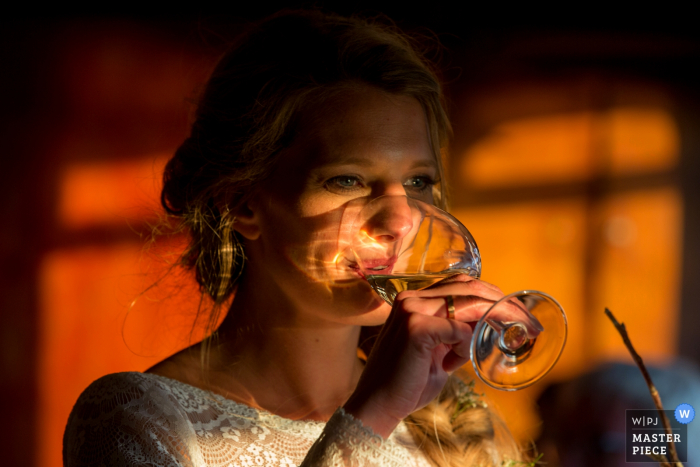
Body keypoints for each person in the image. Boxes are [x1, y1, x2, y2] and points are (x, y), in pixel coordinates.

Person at [63, 10, 522, 467]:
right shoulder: (139, 419)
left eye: (419, 182)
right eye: (348, 180)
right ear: (243, 202)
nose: (401, 220)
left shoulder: (447, 420)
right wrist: (372, 416)